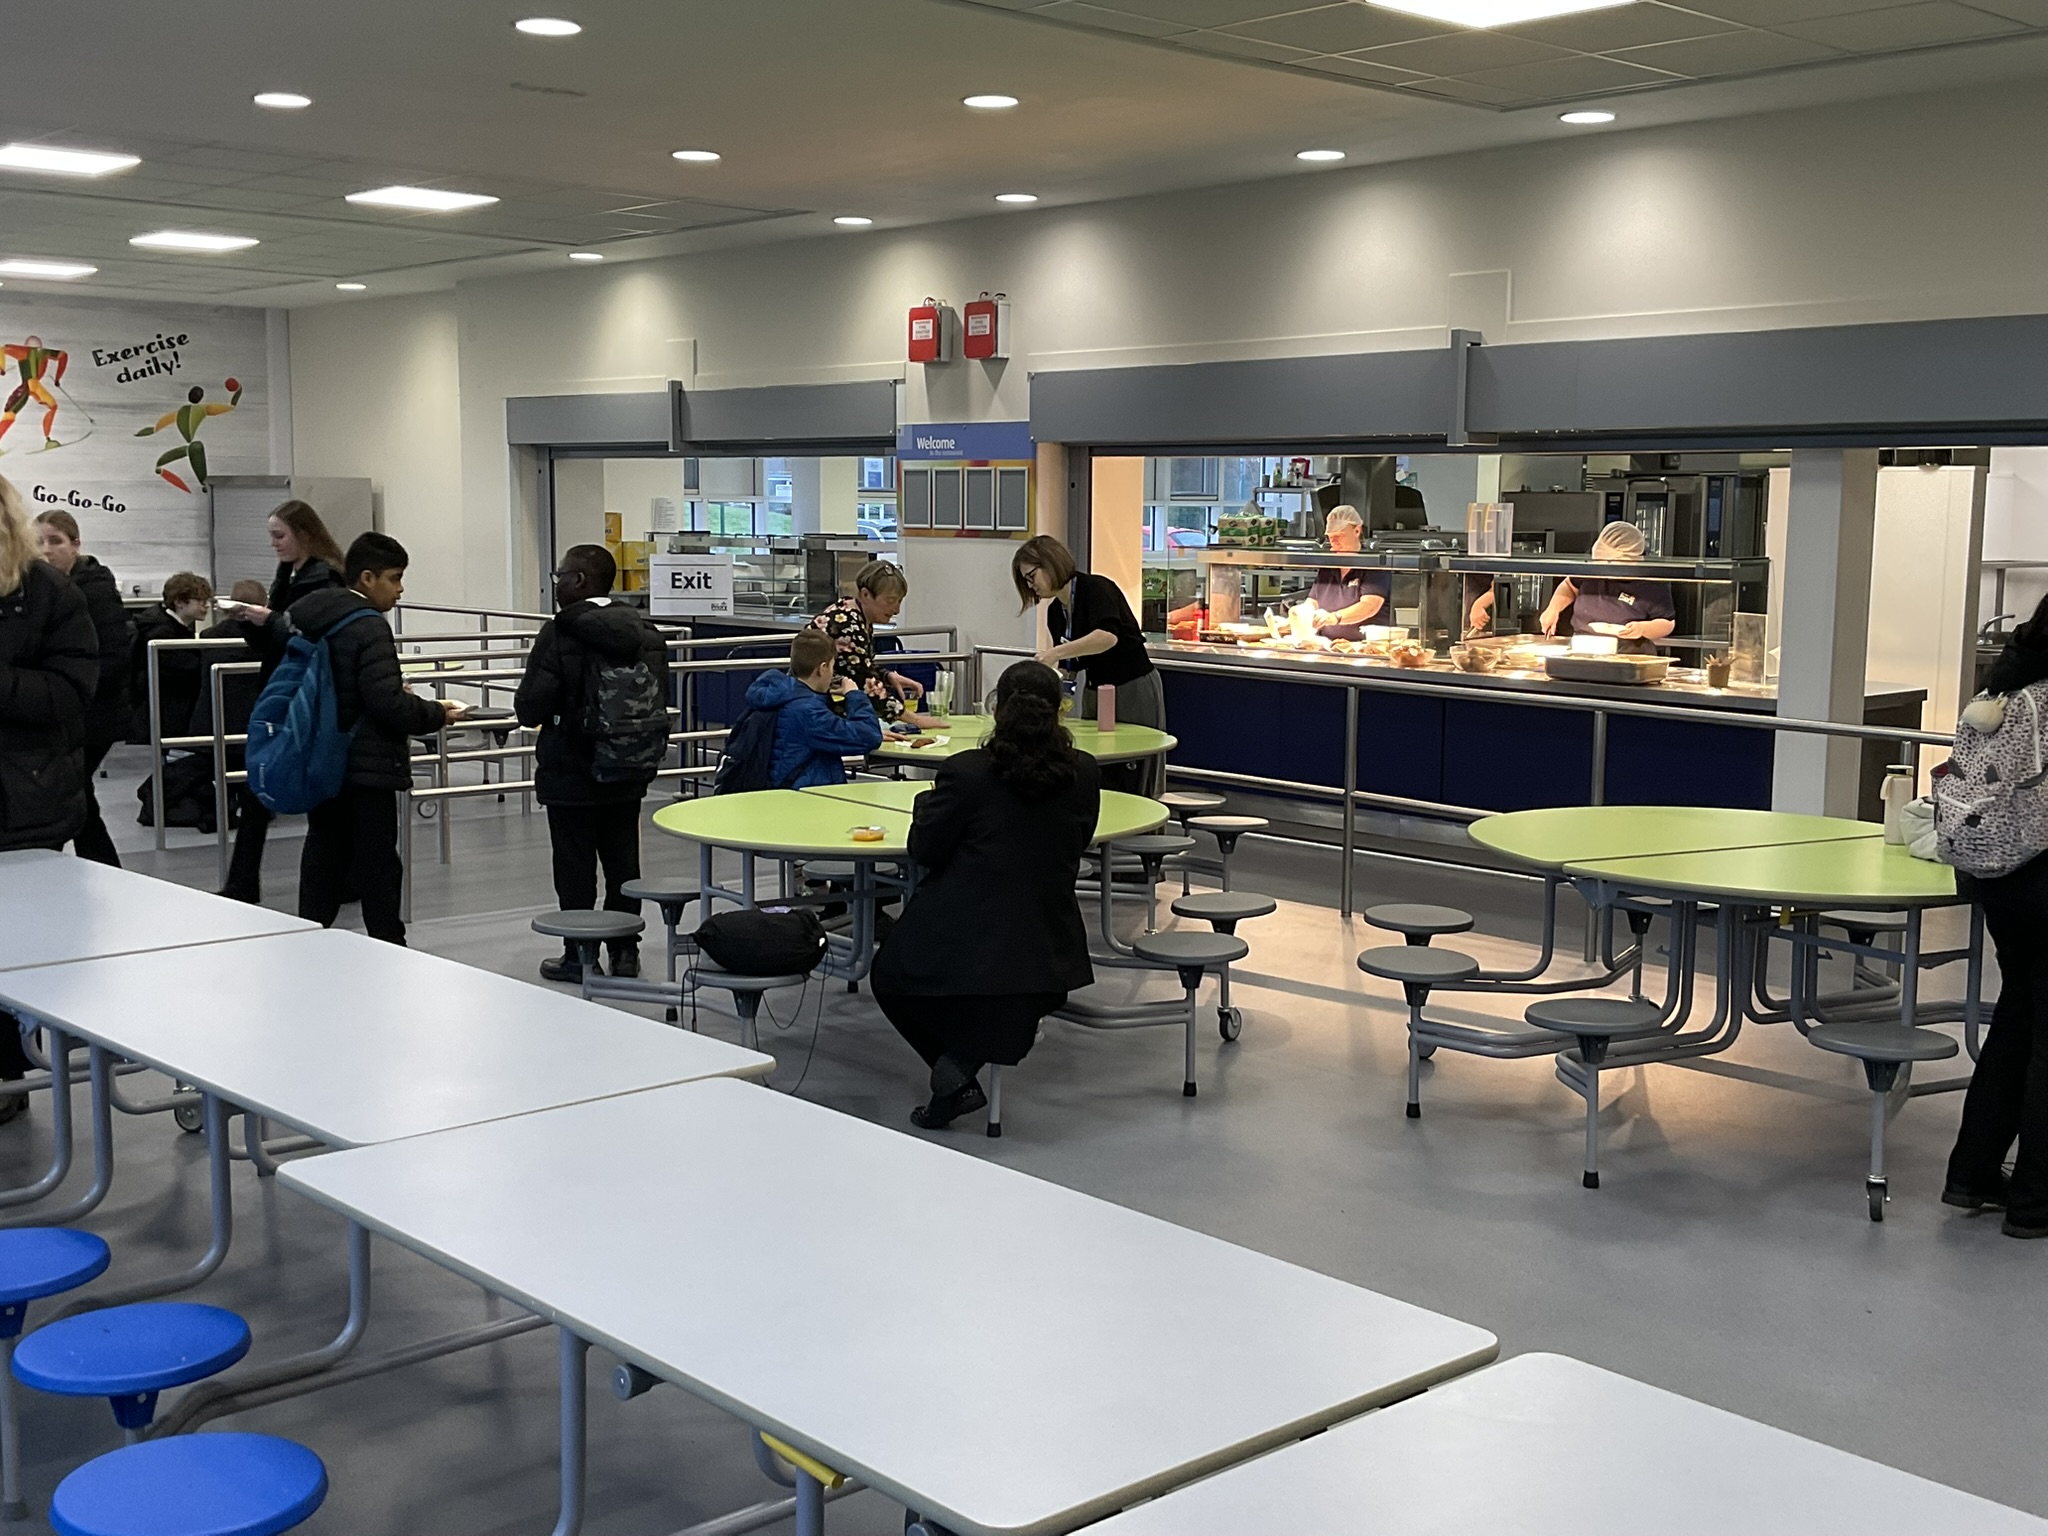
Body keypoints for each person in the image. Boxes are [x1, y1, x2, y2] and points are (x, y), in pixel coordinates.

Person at [871, 661, 1100, 1130]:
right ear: (1060, 710)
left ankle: (957, 1069)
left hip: (965, 931)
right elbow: (1078, 842)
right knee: (1019, 998)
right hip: (1049, 941)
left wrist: (924, 808)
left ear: (997, 708)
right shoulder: (1084, 772)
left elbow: (925, 851)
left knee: (889, 975)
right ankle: (965, 1059)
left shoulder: (966, 771)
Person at [290, 532, 461, 945]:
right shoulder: (369, 626)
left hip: (321, 755)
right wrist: (436, 713)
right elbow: (385, 702)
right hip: (367, 765)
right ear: (367, 578)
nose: (400, 590)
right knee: (378, 861)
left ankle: (307, 937)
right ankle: (389, 944)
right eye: (395, 578)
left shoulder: (313, 615)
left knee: (323, 852)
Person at [515, 544, 673, 985]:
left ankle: (579, 955)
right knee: (623, 862)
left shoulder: (560, 632)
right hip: (629, 767)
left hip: (571, 769)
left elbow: (530, 707)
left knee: (574, 865)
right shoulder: (646, 631)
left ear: (580, 581)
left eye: (561, 575)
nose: (557, 583)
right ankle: (625, 952)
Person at [1945, 595, 2048, 1239]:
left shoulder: (2005, 689)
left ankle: (1973, 1173)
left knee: (2017, 1021)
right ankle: (2035, 1203)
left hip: (2000, 877)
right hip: (2044, 874)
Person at [0, 475, 97, 1118]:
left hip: (24, 799)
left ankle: (9, 1077)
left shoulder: (48, 594)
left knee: (17, 953)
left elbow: (70, 691)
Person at [219, 502, 346, 902]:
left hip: (300, 692)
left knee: (303, 790)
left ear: (303, 534)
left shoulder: (323, 580)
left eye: (279, 535)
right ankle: (245, 881)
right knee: (267, 784)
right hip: (284, 688)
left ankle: (248, 882)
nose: (273, 543)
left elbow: (305, 637)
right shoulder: (289, 575)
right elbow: (278, 639)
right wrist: (252, 624)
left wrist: (268, 621)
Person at [1013, 533, 1166, 796]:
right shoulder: (1055, 612)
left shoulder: (1096, 589)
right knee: (1099, 761)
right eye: (1026, 580)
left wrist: (1054, 653)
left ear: (1050, 564)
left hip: (1132, 686)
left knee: (1133, 762)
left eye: (1032, 576)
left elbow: (1107, 637)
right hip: (1095, 689)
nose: (1031, 585)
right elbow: (1069, 665)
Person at [33, 509, 131, 866]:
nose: (46, 550)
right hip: (72, 710)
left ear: (75, 544)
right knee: (77, 795)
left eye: (55, 541)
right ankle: (99, 867)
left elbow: (112, 656)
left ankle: (76, 865)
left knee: (71, 793)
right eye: (39, 542)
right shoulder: (46, 588)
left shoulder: (94, 591)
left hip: (93, 714)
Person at [743, 628, 882, 790]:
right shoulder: (808, 712)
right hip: (807, 796)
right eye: (832, 666)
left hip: (783, 791)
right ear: (822, 668)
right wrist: (854, 695)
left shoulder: (779, 695)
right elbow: (870, 736)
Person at [809, 560, 934, 728]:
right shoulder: (846, 624)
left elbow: (856, 665)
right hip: (816, 712)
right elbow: (865, 684)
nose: (897, 610)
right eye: (890, 601)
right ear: (866, 594)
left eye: (899, 601)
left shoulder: (856, 615)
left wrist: (887, 676)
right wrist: (916, 720)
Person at [1538, 521, 1675, 656]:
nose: (1603, 568)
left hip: (1629, 653)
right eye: (1600, 562)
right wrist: (1553, 609)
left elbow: (1667, 623)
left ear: (1632, 561)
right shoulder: (1591, 568)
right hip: (1582, 646)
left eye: (1610, 563)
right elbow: (1569, 585)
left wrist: (1642, 629)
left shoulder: (1651, 582)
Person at [127, 571, 213, 744]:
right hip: (162, 717)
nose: (206, 606)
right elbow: (189, 670)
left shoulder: (160, 625)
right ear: (179, 602)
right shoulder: (162, 634)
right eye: (200, 601)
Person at [1306, 505, 1390, 641]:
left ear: (1357, 531)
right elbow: (1312, 602)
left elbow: (1369, 606)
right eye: (1330, 537)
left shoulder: (1373, 564)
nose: (1334, 542)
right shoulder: (1328, 566)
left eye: (1339, 536)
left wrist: (1335, 617)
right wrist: (1299, 615)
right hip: (1329, 645)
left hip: (1367, 646)